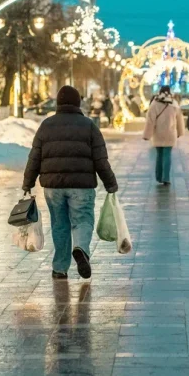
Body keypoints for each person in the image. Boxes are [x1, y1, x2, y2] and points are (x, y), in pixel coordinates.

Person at [22, 86, 118, 281]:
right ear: (77, 103)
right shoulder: (89, 126)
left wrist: (28, 182)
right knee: (82, 220)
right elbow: (101, 160)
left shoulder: (46, 126)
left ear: (58, 103)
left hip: (53, 187)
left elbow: (35, 157)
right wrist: (110, 183)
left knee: (60, 225)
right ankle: (80, 248)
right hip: (81, 186)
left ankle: (59, 268)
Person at [142, 85, 185, 185]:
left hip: (158, 133)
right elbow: (179, 120)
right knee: (167, 154)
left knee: (159, 155)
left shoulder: (154, 104)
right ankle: (166, 177)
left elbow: (150, 121)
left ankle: (159, 177)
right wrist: (180, 132)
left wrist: (147, 135)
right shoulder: (174, 103)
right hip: (170, 133)